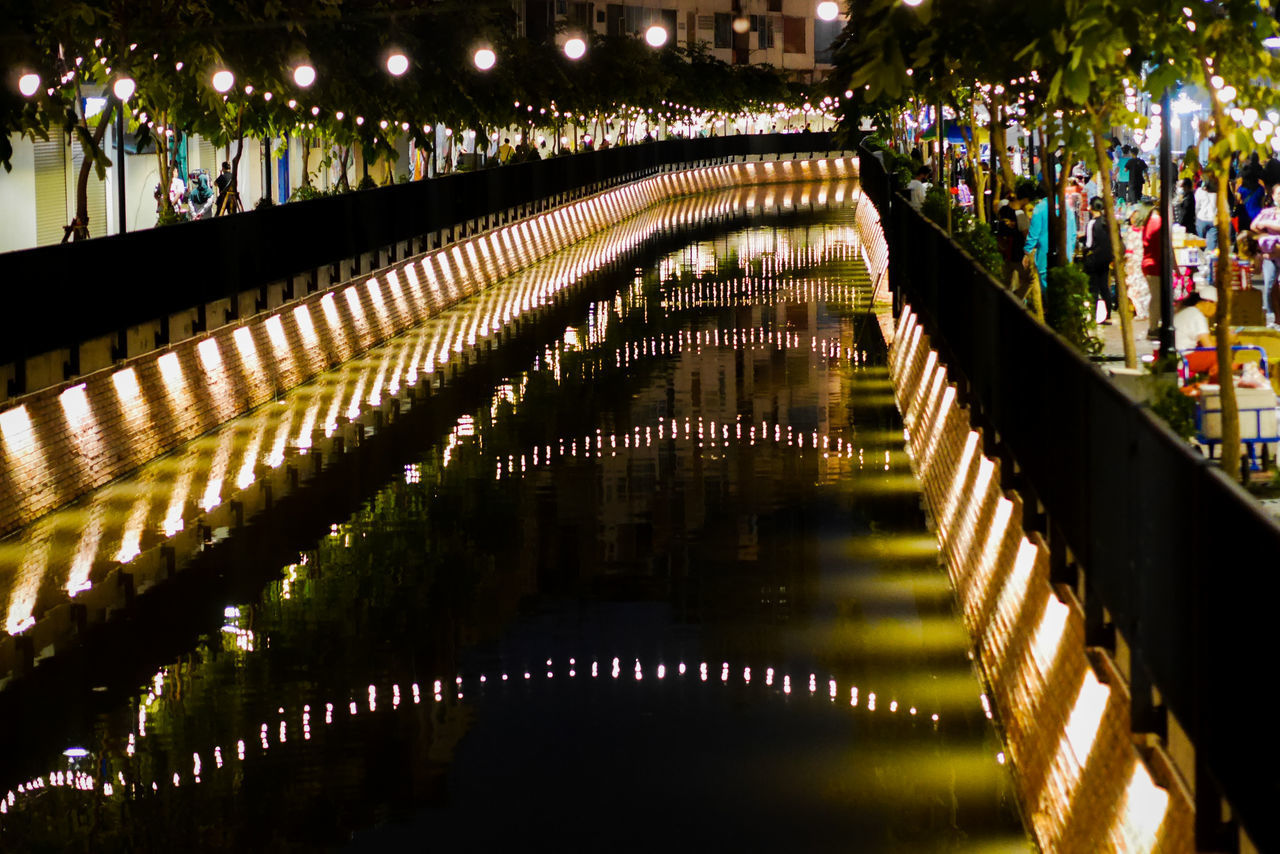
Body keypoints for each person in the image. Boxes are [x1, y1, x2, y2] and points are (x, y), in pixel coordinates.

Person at [1022, 183, 1077, 291]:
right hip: (1066, 254)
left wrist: (1027, 252)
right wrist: (1070, 250)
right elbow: (1073, 234)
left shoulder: (1039, 208)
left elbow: (1033, 235)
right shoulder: (1066, 207)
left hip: (1045, 257)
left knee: (1047, 289)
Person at [1082, 197, 1115, 323]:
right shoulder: (1108, 221)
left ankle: (1093, 316)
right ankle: (1108, 315)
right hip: (1106, 259)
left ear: (1092, 208)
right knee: (1104, 287)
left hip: (1094, 260)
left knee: (1094, 288)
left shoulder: (1092, 223)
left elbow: (1089, 244)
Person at [1140, 199, 1164, 336]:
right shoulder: (1157, 221)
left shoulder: (1148, 221)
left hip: (1149, 263)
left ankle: (1154, 326)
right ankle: (1153, 327)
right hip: (1154, 264)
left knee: (1155, 296)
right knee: (1156, 297)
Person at [1195, 175, 1221, 285]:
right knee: (1211, 250)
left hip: (1201, 219)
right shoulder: (1218, 193)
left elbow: (1197, 206)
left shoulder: (1199, 192)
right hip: (1213, 221)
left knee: (1199, 245)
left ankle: (1201, 268)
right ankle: (1209, 272)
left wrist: (1196, 218)